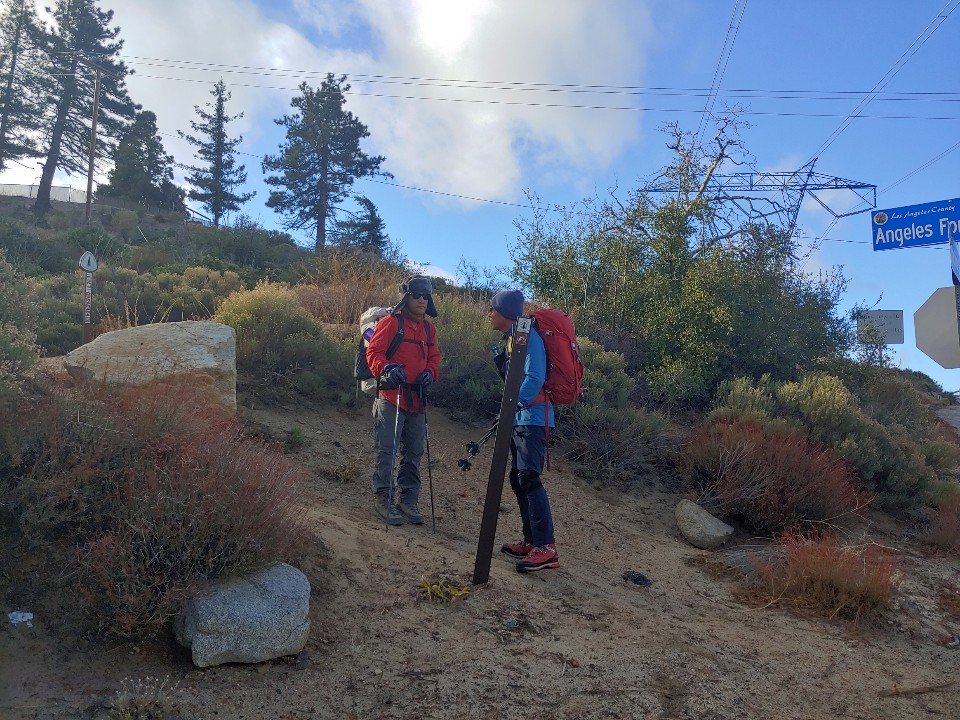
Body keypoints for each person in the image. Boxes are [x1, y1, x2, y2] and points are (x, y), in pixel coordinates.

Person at [487, 290, 559, 573]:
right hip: (522, 416)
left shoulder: (528, 337)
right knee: (518, 478)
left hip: (532, 417)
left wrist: (514, 404)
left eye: (492, 309)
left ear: (504, 312)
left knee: (528, 477)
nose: (489, 314)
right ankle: (532, 541)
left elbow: (535, 376)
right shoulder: (513, 338)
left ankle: (546, 548)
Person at [366, 276, 440, 526]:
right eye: (417, 295)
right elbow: (373, 352)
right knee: (387, 449)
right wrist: (386, 368)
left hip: (417, 398)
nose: (421, 300)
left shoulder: (429, 329)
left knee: (414, 452)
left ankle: (408, 501)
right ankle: (383, 499)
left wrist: (430, 372)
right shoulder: (391, 322)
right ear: (407, 297)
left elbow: (434, 357)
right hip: (391, 396)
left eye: (425, 296)